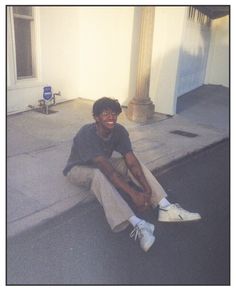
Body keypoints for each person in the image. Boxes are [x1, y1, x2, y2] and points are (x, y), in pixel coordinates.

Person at [63, 97, 201, 252]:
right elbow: (106, 169)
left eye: (114, 113)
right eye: (105, 114)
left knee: (130, 162)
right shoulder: (86, 134)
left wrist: (147, 190)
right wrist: (134, 194)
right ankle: (139, 224)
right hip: (78, 168)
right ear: (96, 117)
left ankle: (165, 207)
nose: (111, 117)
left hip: (101, 164)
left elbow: (131, 161)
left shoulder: (119, 130)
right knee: (98, 175)